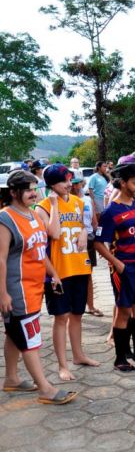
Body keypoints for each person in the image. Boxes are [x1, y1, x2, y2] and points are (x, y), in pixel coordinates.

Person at [0, 170, 77, 404]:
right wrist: (2, 293)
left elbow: (39, 249)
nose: (34, 193)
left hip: (34, 287)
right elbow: (0, 258)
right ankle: (45, 388)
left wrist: (53, 273)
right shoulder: (5, 219)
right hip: (17, 289)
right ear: (13, 192)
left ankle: (12, 378)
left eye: (35, 189)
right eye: (28, 190)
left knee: (16, 334)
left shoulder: (33, 215)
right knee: (29, 338)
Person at [94, 163, 135, 372]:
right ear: (122, 183)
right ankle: (120, 358)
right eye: (134, 183)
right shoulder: (111, 211)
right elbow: (97, 243)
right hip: (126, 268)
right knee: (124, 311)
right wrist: (118, 264)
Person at [35, 164, 99, 381]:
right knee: (60, 317)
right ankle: (62, 365)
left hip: (79, 265)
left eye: (70, 180)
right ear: (51, 184)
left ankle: (79, 355)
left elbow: (82, 224)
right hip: (58, 271)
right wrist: (53, 205)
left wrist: (82, 230)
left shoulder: (78, 202)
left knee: (77, 315)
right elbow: (53, 233)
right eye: (64, 181)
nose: (69, 184)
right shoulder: (42, 207)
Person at [70, 177, 102, 318]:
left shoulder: (88, 200)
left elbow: (95, 222)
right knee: (73, 274)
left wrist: (99, 241)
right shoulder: (67, 200)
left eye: (79, 183)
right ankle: (73, 305)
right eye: (74, 183)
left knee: (88, 274)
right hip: (72, 240)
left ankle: (90, 305)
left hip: (88, 238)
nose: (77, 186)